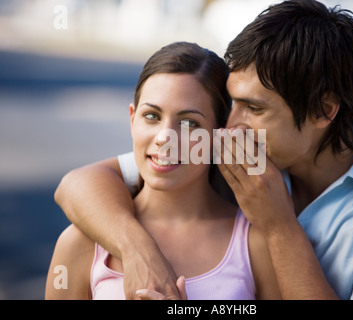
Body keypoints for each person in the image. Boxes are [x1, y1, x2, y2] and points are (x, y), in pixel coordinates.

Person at [54, 0, 353, 300]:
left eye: (256, 108)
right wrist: (139, 251)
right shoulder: (237, 150)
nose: (230, 126)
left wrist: (279, 227)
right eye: (233, 102)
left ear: (324, 111)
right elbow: (80, 184)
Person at [45, 42, 281, 300]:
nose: (164, 138)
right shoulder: (81, 244)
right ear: (132, 118)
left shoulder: (255, 244)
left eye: (190, 123)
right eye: (152, 116)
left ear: (219, 134)